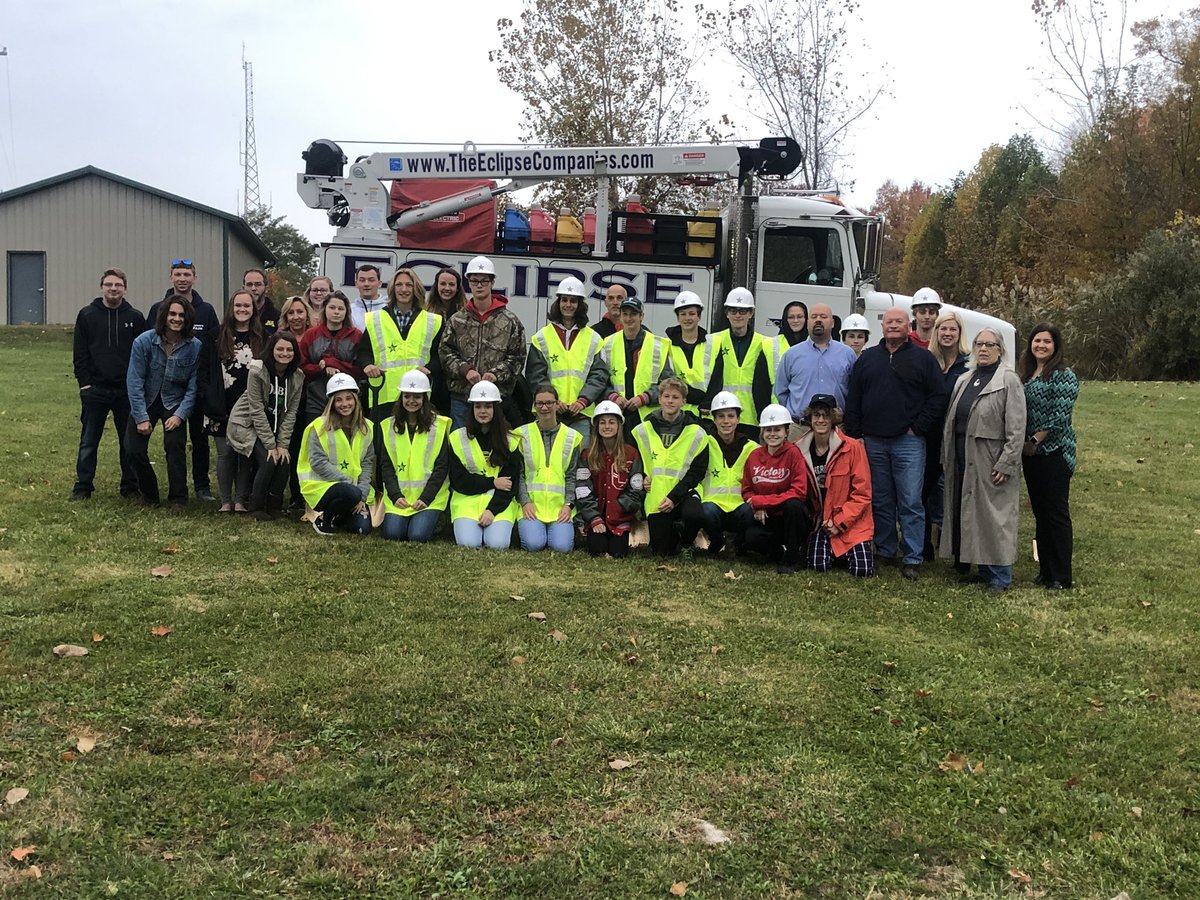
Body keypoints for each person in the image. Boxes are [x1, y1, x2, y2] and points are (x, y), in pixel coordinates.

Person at [844, 306, 948, 580]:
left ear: (908, 326)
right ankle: (886, 549)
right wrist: (857, 435)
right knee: (880, 499)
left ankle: (912, 556)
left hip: (908, 443)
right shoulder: (867, 360)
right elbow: (853, 398)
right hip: (873, 442)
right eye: (889, 322)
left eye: (898, 322)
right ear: (882, 326)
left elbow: (938, 397)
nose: (893, 326)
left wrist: (918, 428)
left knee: (911, 500)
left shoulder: (923, 359)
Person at [940, 328, 1026, 593]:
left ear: (1000, 349)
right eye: (979, 344)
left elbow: (1017, 426)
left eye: (990, 344)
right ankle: (983, 569)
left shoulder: (1008, 381)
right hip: (963, 455)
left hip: (991, 458)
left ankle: (1001, 576)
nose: (984, 349)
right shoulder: (966, 379)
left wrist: (1007, 462)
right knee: (972, 513)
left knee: (995, 516)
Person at [71, 268, 146, 501]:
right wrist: (85, 384)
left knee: (128, 443)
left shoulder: (135, 317)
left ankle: (130, 487)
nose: (113, 289)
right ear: (101, 287)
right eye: (109, 284)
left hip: (126, 391)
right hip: (96, 390)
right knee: (89, 441)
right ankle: (83, 487)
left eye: (118, 285)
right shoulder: (87, 315)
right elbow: (80, 353)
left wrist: (139, 387)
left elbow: (142, 355)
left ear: (125, 288)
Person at [148, 259, 220, 501]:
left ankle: (202, 486)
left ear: (194, 278)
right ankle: (167, 487)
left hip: (197, 388)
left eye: (187, 274)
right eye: (178, 274)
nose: (182, 278)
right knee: (173, 442)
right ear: (171, 277)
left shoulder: (207, 310)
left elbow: (213, 347)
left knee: (200, 439)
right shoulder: (158, 308)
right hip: (167, 390)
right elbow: (151, 345)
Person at [125, 296, 201, 507]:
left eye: (181, 315)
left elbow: (194, 386)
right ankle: (149, 494)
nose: (176, 319)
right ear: (164, 316)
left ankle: (178, 498)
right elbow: (135, 380)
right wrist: (140, 417)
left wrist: (180, 415)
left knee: (175, 447)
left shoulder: (195, 346)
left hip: (175, 401)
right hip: (147, 399)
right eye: (172, 314)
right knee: (133, 449)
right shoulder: (143, 342)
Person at [1019, 323, 1079, 591]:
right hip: (1030, 455)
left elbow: (1060, 415)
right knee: (1040, 513)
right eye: (1037, 341)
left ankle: (1061, 576)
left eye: (1047, 342)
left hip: (1054, 452)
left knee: (1055, 514)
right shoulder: (1028, 374)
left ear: (1056, 347)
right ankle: (1045, 570)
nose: (1041, 345)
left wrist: (1035, 440)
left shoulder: (1063, 375)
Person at [439, 256, 527, 431]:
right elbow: (445, 352)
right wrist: (466, 370)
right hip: (462, 398)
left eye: (484, 281)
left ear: (492, 283)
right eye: (474, 281)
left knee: (497, 448)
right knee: (461, 447)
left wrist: (495, 374)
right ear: (468, 283)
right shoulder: (457, 320)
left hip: (497, 400)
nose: (479, 285)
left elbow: (517, 358)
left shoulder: (510, 321)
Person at [226, 332, 305, 520]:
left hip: (275, 427)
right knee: (269, 459)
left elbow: (291, 412)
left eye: (289, 349)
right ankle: (256, 506)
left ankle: (274, 506)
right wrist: (271, 445)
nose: (284, 353)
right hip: (247, 424)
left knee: (284, 459)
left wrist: (283, 444)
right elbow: (256, 410)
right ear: (271, 350)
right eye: (280, 349)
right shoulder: (257, 370)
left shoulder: (297, 376)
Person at [796, 394, 874, 576]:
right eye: (816, 415)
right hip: (821, 524)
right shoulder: (798, 449)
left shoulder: (853, 448)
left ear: (834, 419)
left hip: (851, 524)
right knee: (817, 566)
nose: (821, 420)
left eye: (826, 415)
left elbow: (863, 494)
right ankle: (832, 552)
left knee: (862, 571)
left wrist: (840, 523)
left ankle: (848, 551)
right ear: (810, 418)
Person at [630, 376, 708, 557]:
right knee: (662, 552)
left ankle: (687, 544)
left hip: (685, 491)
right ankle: (676, 532)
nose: (670, 401)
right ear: (659, 399)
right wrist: (642, 477)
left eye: (675, 397)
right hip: (656, 495)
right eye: (666, 396)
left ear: (684, 401)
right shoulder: (643, 429)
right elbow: (634, 461)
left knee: (695, 516)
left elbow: (697, 472)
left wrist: (674, 497)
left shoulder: (697, 431)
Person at [525, 277, 608, 446]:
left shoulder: (593, 339)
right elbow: (535, 376)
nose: (568, 305)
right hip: (549, 413)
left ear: (580, 305)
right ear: (558, 302)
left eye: (573, 301)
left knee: (579, 465)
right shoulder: (541, 337)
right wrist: (554, 402)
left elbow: (599, 375)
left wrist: (583, 400)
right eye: (564, 300)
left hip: (582, 414)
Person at [357, 267, 444, 424]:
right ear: (392, 288)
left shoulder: (433, 321)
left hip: (418, 397)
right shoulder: (376, 319)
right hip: (384, 396)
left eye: (409, 285)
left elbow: (440, 355)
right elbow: (363, 352)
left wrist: (430, 367)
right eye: (399, 285)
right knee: (382, 447)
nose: (404, 289)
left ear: (416, 288)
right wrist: (367, 365)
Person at [735, 404, 811, 574]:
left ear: (786, 432)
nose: (772, 434)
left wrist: (763, 502)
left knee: (794, 505)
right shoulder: (754, 455)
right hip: (767, 518)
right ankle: (776, 552)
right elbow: (747, 490)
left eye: (777, 429)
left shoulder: (794, 454)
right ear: (762, 432)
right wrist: (758, 506)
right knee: (751, 537)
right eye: (768, 430)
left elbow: (799, 492)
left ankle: (793, 558)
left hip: (790, 518)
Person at [207, 290, 265, 512]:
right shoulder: (215, 335)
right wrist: (210, 401)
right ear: (231, 308)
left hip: (250, 405)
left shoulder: (263, 337)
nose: (242, 310)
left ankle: (241, 500)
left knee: (244, 453)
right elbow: (206, 371)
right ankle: (225, 500)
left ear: (253, 309)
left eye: (247, 306)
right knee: (225, 454)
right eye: (238, 306)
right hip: (221, 404)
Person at [680, 391, 757, 558]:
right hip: (712, 504)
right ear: (714, 420)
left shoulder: (752, 448)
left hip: (740, 504)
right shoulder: (705, 443)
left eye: (731, 416)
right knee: (706, 511)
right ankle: (716, 541)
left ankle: (739, 544)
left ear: (738, 419)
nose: (726, 421)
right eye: (721, 416)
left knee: (749, 511)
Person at [378, 369, 451, 543]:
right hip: (399, 498)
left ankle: (436, 519)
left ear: (425, 398)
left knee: (417, 536)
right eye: (407, 396)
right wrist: (395, 496)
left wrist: (426, 498)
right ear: (401, 397)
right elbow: (386, 466)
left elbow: (442, 468)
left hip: (430, 498)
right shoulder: (388, 426)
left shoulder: (439, 426)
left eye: (417, 397)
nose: (412, 401)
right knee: (393, 534)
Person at [297, 373, 374, 536]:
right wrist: (349, 485)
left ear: (356, 400)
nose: (344, 404)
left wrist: (362, 496)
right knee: (350, 493)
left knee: (362, 529)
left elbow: (367, 463)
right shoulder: (319, 426)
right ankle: (324, 519)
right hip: (322, 488)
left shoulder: (367, 428)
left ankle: (341, 516)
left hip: (355, 491)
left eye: (348, 398)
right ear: (332, 403)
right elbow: (318, 462)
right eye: (338, 400)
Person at [448, 380, 520, 549]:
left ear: (496, 409)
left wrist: (492, 511)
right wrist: (493, 482)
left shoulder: (511, 440)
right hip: (467, 502)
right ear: (471, 409)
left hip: (499, 504)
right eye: (478, 406)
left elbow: (511, 484)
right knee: (468, 544)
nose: (482, 411)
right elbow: (459, 481)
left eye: (487, 406)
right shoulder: (457, 438)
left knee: (498, 545)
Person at [923, 310, 971, 560]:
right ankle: (927, 544)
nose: (948, 333)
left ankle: (955, 545)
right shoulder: (928, 361)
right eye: (943, 329)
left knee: (955, 490)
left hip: (958, 436)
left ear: (960, 333)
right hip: (930, 436)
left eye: (953, 329)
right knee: (926, 489)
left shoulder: (969, 365)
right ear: (936, 332)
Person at [514, 384, 584, 553]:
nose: (544, 407)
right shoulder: (521, 434)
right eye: (539, 403)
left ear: (557, 404)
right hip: (531, 507)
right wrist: (525, 502)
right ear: (534, 405)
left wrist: (568, 504)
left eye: (549, 403)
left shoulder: (571, 437)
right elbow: (519, 474)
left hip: (559, 508)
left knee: (562, 547)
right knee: (533, 545)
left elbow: (571, 475)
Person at [575, 401, 644, 558]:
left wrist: (618, 508)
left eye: (612, 422)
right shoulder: (587, 455)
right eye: (602, 423)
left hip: (620, 517)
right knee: (597, 550)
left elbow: (636, 490)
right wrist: (594, 518)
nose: (607, 426)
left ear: (619, 426)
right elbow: (582, 489)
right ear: (596, 427)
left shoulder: (631, 454)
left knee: (618, 553)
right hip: (596, 516)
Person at [602, 296, 673, 440]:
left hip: (648, 417)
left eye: (633, 314)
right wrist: (613, 396)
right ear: (620, 316)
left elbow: (668, 383)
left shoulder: (658, 345)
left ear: (642, 316)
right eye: (625, 314)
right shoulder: (608, 343)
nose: (629, 318)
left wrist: (644, 398)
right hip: (616, 415)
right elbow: (600, 381)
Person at [775, 302, 857, 420]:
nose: (818, 320)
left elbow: (854, 392)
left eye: (823, 317)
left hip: (836, 428)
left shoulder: (847, 354)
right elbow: (781, 391)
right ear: (807, 322)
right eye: (814, 317)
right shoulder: (791, 355)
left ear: (833, 323)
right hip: (800, 428)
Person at [706, 288, 773, 434]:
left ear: (751, 313)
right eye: (733, 311)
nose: (737, 315)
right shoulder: (714, 341)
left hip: (751, 417)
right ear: (727, 313)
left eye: (742, 311)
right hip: (722, 416)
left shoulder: (765, 343)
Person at [664, 291, 714, 417]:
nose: (687, 318)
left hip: (707, 414)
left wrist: (707, 401)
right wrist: (699, 397)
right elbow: (669, 380)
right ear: (678, 317)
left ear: (699, 316)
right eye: (683, 314)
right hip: (677, 414)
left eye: (692, 314)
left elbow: (717, 378)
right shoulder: (666, 346)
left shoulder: (711, 344)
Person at [762, 300, 809, 401]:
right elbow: (761, 384)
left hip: (806, 409)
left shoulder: (814, 344)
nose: (795, 320)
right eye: (791, 317)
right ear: (785, 319)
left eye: (800, 317)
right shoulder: (770, 345)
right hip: (776, 410)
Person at [348, 264, 388, 332]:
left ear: (380, 284)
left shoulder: (388, 309)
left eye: (371, 280)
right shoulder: (349, 311)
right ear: (356, 283)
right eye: (362, 280)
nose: (366, 284)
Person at [242, 269, 278, 333]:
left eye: (258, 284)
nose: (253, 288)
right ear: (243, 288)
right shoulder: (235, 316)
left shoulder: (277, 318)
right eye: (249, 285)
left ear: (266, 288)